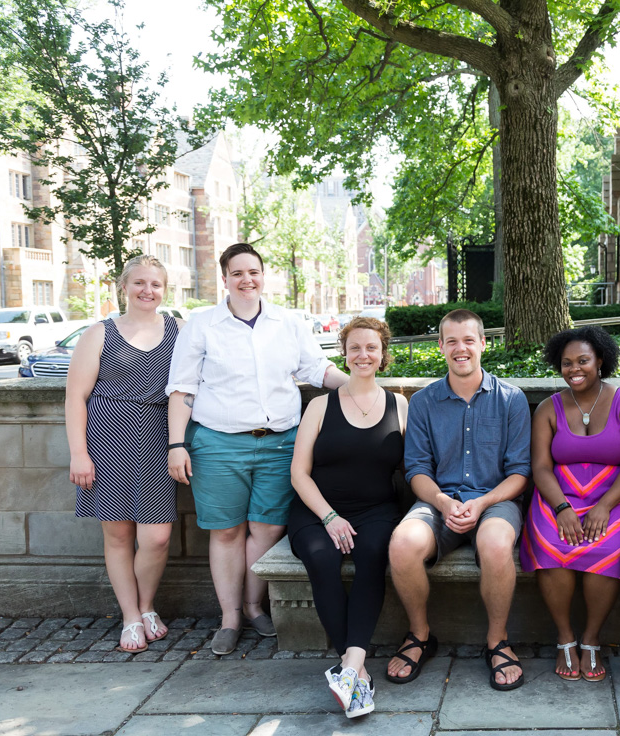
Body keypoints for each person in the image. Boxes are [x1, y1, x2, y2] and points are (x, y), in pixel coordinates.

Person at [166, 242, 348, 656]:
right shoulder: (202, 324)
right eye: (237, 273)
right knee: (227, 531)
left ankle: (253, 606)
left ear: (263, 276)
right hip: (217, 445)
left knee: (267, 528)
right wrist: (177, 444)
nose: (247, 280)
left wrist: (358, 384)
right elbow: (183, 388)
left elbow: (315, 368)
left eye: (254, 272)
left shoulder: (287, 321)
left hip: (281, 443)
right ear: (225, 279)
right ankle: (230, 617)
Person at [385, 309, 532, 691]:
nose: (460, 348)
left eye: (469, 340)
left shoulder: (510, 399)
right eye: (451, 341)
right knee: (402, 543)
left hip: (496, 500)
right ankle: (419, 635)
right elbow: (416, 469)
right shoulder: (423, 402)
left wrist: (481, 504)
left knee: (497, 544)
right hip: (439, 500)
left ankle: (497, 641)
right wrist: (443, 502)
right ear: (441, 347)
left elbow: (519, 472)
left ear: (484, 344)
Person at [289, 316, 407, 718]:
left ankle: (350, 670)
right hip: (317, 509)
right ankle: (355, 671)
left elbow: (413, 468)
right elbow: (298, 473)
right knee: (322, 559)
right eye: (355, 347)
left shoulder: (399, 404)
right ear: (344, 352)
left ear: (383, 354)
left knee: (374, 554)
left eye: (371, 347)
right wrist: (330, 517)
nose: (363, 355)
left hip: (377, 510)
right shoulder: (320, 405)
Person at [519, 326, 620, 682]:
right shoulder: (549, 408)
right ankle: (564, 637)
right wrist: (561, 509)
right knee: (551, 540)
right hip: (559, 495)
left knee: (605, 543)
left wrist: (605, 505)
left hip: (616, 495)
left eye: (583, 361)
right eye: (566, 363)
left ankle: (591, 638)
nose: (574, 369)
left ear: (600, 361)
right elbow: (541, 467)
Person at [66, 255, 181, 653]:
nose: (148, 291)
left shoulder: (179, 331)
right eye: (140, 283)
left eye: (156, 284)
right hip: (107, 441)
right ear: (124, 287)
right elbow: (75, 398)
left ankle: (147, 605)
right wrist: (79, 454)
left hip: (156, 442)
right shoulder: (98, 333)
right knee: (117, 535)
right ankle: (131, 616)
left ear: (165, 290)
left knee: (158, 537)